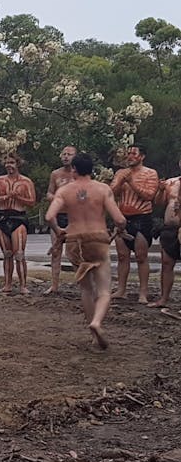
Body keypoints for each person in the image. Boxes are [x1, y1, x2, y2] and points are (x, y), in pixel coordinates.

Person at [46, 152, 127, 349]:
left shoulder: (64, 191)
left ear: (74, 169)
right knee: (104, 290)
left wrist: (59, 231)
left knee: (86, 288)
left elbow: (49, 216)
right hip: (97, 238)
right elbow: (119, 219)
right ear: (91, 169)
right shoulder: (102, 189)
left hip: (74, 241)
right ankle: (97, 322)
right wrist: (120, 229)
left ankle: (92, 333)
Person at [110, 144, 159, 304]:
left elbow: (149, 195)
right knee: (122, 256)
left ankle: (143, 292)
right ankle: (121, 289)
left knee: (141, 257)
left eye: (133, 153)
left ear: (142, 156)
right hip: (123, 218)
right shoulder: (121, 172)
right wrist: (119, 181)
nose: (130, 156)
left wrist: (131, 182)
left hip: (141, 218)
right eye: (128, 153)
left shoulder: (150, 173)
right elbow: (111, 194)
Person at [0, 153, 37, 294]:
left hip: (18, 217)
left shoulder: (26, 182)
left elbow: (32, 201)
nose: (9, 165)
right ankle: (7, 284)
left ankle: (23, 285)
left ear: (18, 164)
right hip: (2, 216)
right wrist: (5, 197)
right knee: (7, 253)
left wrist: (18, 197)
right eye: (6, 163)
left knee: (19, 253)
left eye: (11, 162)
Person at [148, 158, 181, 310]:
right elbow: (159, 203)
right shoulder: (171, 182)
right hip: (170, 228)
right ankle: (163, 298)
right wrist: (161, 190)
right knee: (167, 263)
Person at [44, 145, 77, 294]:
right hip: (58, 216)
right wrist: (58, 198)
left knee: (74, 252)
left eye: (69, 154)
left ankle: (82, 282)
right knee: (56, 251)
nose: (65, 156)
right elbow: (49, 193)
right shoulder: (55, 174)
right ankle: (54, 285)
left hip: (74, 217)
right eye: (63, 154)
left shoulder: (79, 174)